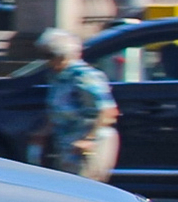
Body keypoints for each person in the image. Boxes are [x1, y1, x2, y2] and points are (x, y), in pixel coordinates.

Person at [31, 27, 119, 180]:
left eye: (50, 55)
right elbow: (57, 111)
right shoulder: (57, 77)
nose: (47, 61)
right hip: (66, 146)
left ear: (64, 55)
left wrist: (88, 140)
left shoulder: (84, 76)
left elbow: (108, 111)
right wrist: (43, 131)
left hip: (87, 147)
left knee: (84, 191)